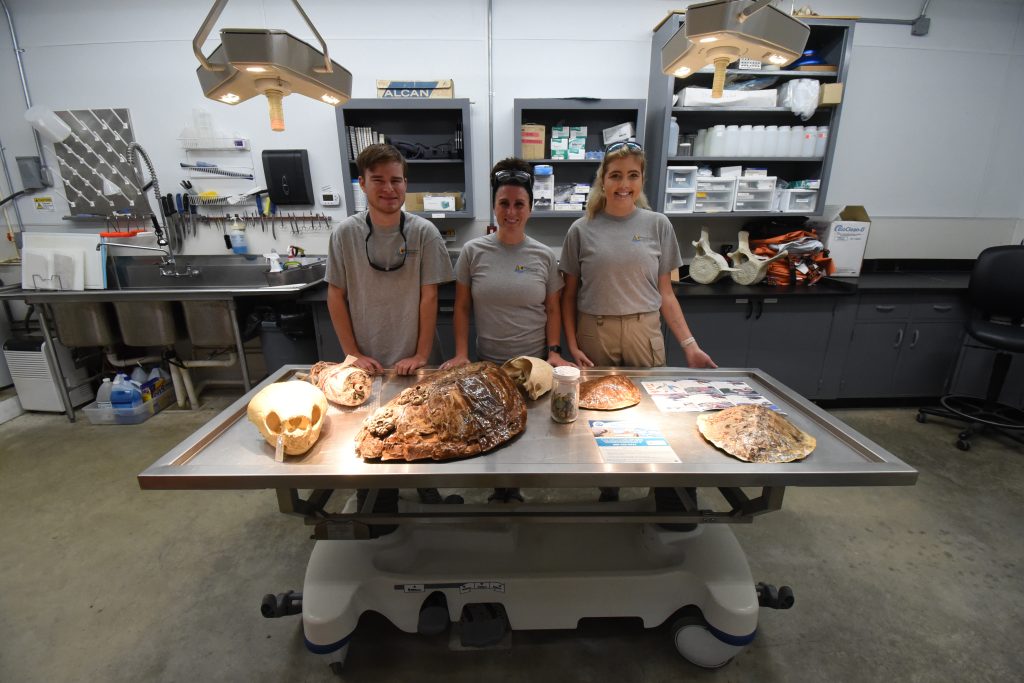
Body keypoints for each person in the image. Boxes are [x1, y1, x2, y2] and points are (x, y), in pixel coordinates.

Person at [559, 140, 716, 509]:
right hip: (593, 331)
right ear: (603, 180)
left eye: (632, 175)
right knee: (596, 415)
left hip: (645, 332)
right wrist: (571, 345)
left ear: (642, 179)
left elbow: (666, 293)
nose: (623, 184)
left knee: (652, 416)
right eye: (615, 175)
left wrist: (689, 345)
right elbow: (567, 295)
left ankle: (662, 491)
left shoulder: (658, 225)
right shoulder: (581, 230)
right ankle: (607, 486)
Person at [326, 143, 456, 526]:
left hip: (415, 358)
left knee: (427, 431)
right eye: (378, 180)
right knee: (371, 439)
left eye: (396, 180)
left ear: (406, 184)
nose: (389, 189)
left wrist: (420, 355)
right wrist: (351, 354)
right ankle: (376, 512)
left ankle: (429, 496)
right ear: (362, 184)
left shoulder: (424, 233)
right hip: (367, 358)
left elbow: (429, 295)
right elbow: (336, 294)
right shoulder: (345, 235)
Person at [441, 157, 573, 503]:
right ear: (494, 206)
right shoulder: (473, 252)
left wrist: (555, 351)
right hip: (490, 363)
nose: (511, 212)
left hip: (535, 365)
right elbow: (463, 307)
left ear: (530, 208)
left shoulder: (544, 256)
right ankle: (503, 492)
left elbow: (553, 307)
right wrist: (460, 353)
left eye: (519, 204)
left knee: (533, 435)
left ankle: (525, 487)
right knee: (495, 433)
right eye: (504, 203)